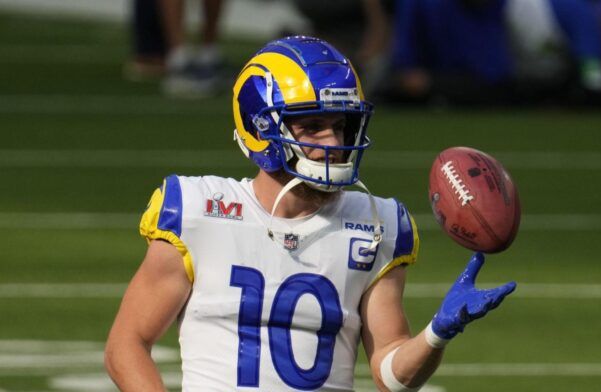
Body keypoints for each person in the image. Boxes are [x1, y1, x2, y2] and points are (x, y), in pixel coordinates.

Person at [104, 36, 516, 391]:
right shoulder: (199, 211)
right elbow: (127, 343)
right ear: (261, 128)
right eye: (313, 126)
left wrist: (436, 335)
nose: (333, 141)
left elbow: (391, 377)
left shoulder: (377, 224)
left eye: (340, 126)